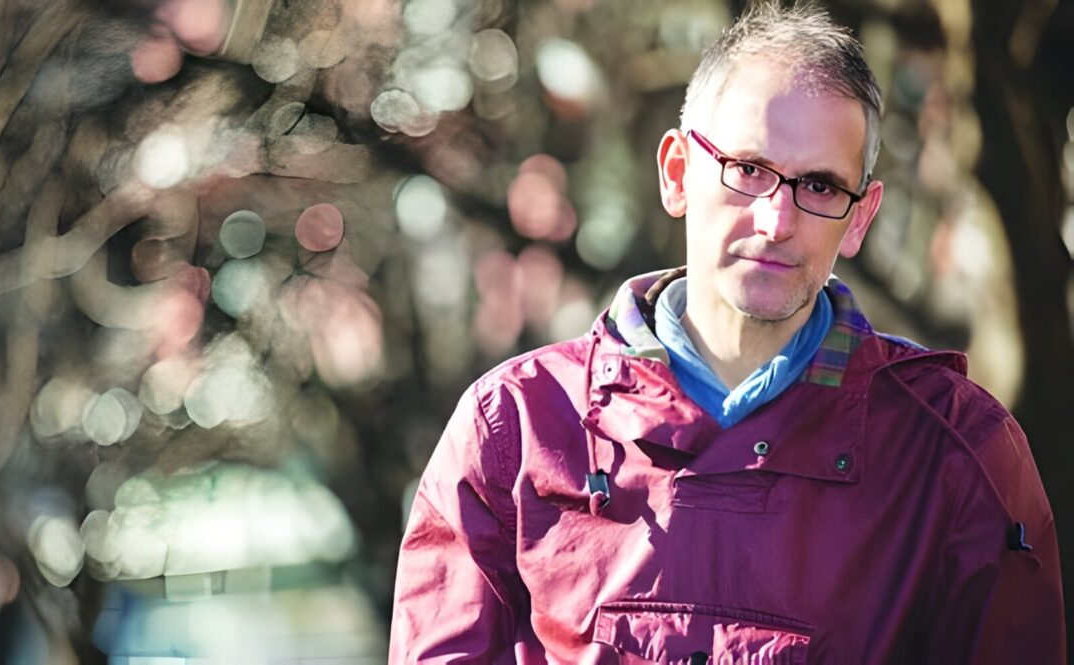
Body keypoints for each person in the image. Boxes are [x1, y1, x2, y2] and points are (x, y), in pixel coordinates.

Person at [389, 2, 1066, 662]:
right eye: (748, 169)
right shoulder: (515, 429)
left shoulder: (957, 453)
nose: (777, 221)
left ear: (860, 218)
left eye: (821, 187)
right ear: (677, 173)